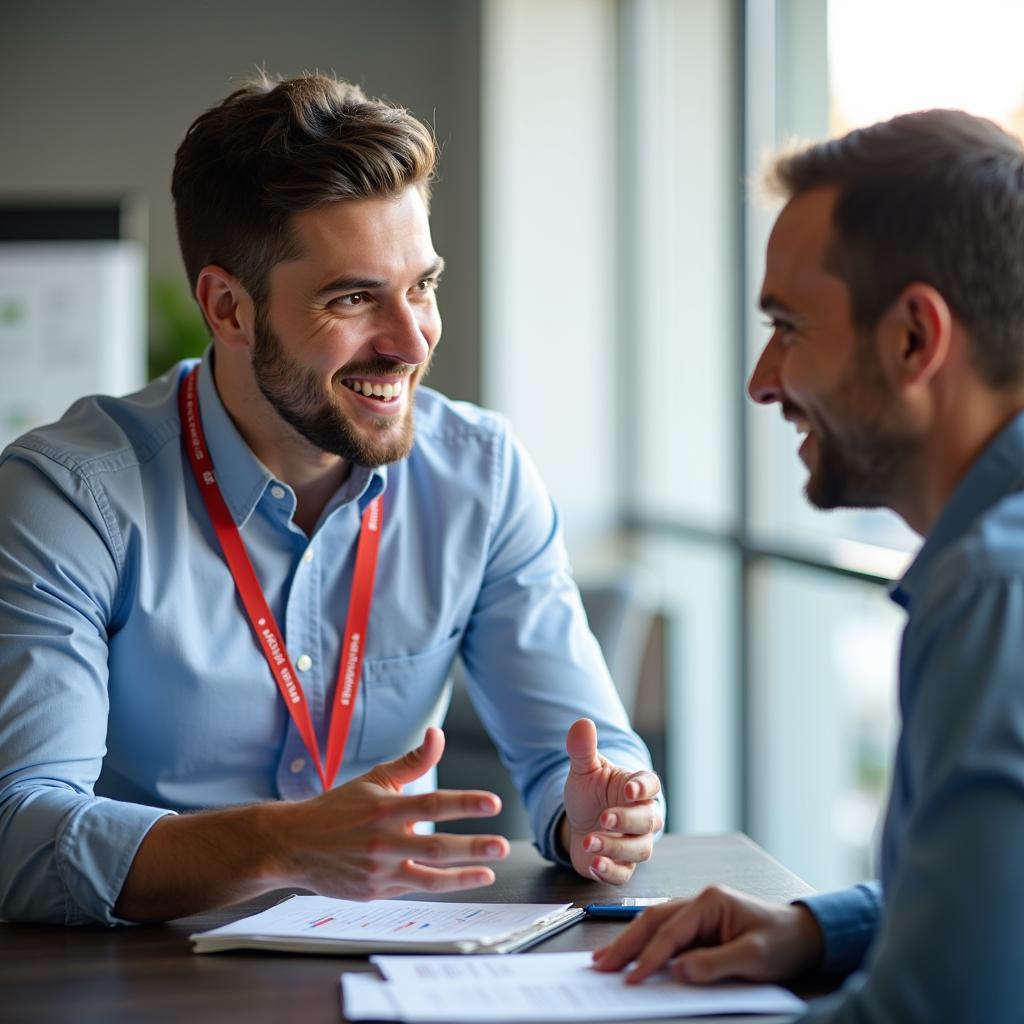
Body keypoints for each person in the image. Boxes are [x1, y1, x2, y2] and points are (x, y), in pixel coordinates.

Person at [0, 72, 662, 926]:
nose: (412, 339)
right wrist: (280, 844)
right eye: (353, 298)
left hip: (406, 959)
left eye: (421, 286)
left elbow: (581, 755)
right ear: (228, 307)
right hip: (147, 973)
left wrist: (601, 811)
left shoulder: (481, 476)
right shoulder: (69, 500)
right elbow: (18, 833)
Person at [594, 108, 1024, 1021]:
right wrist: (819, 929)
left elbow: (938, 1010)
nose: (761, 378)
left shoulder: (994, 590)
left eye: (788, 326)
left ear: (914, 338)